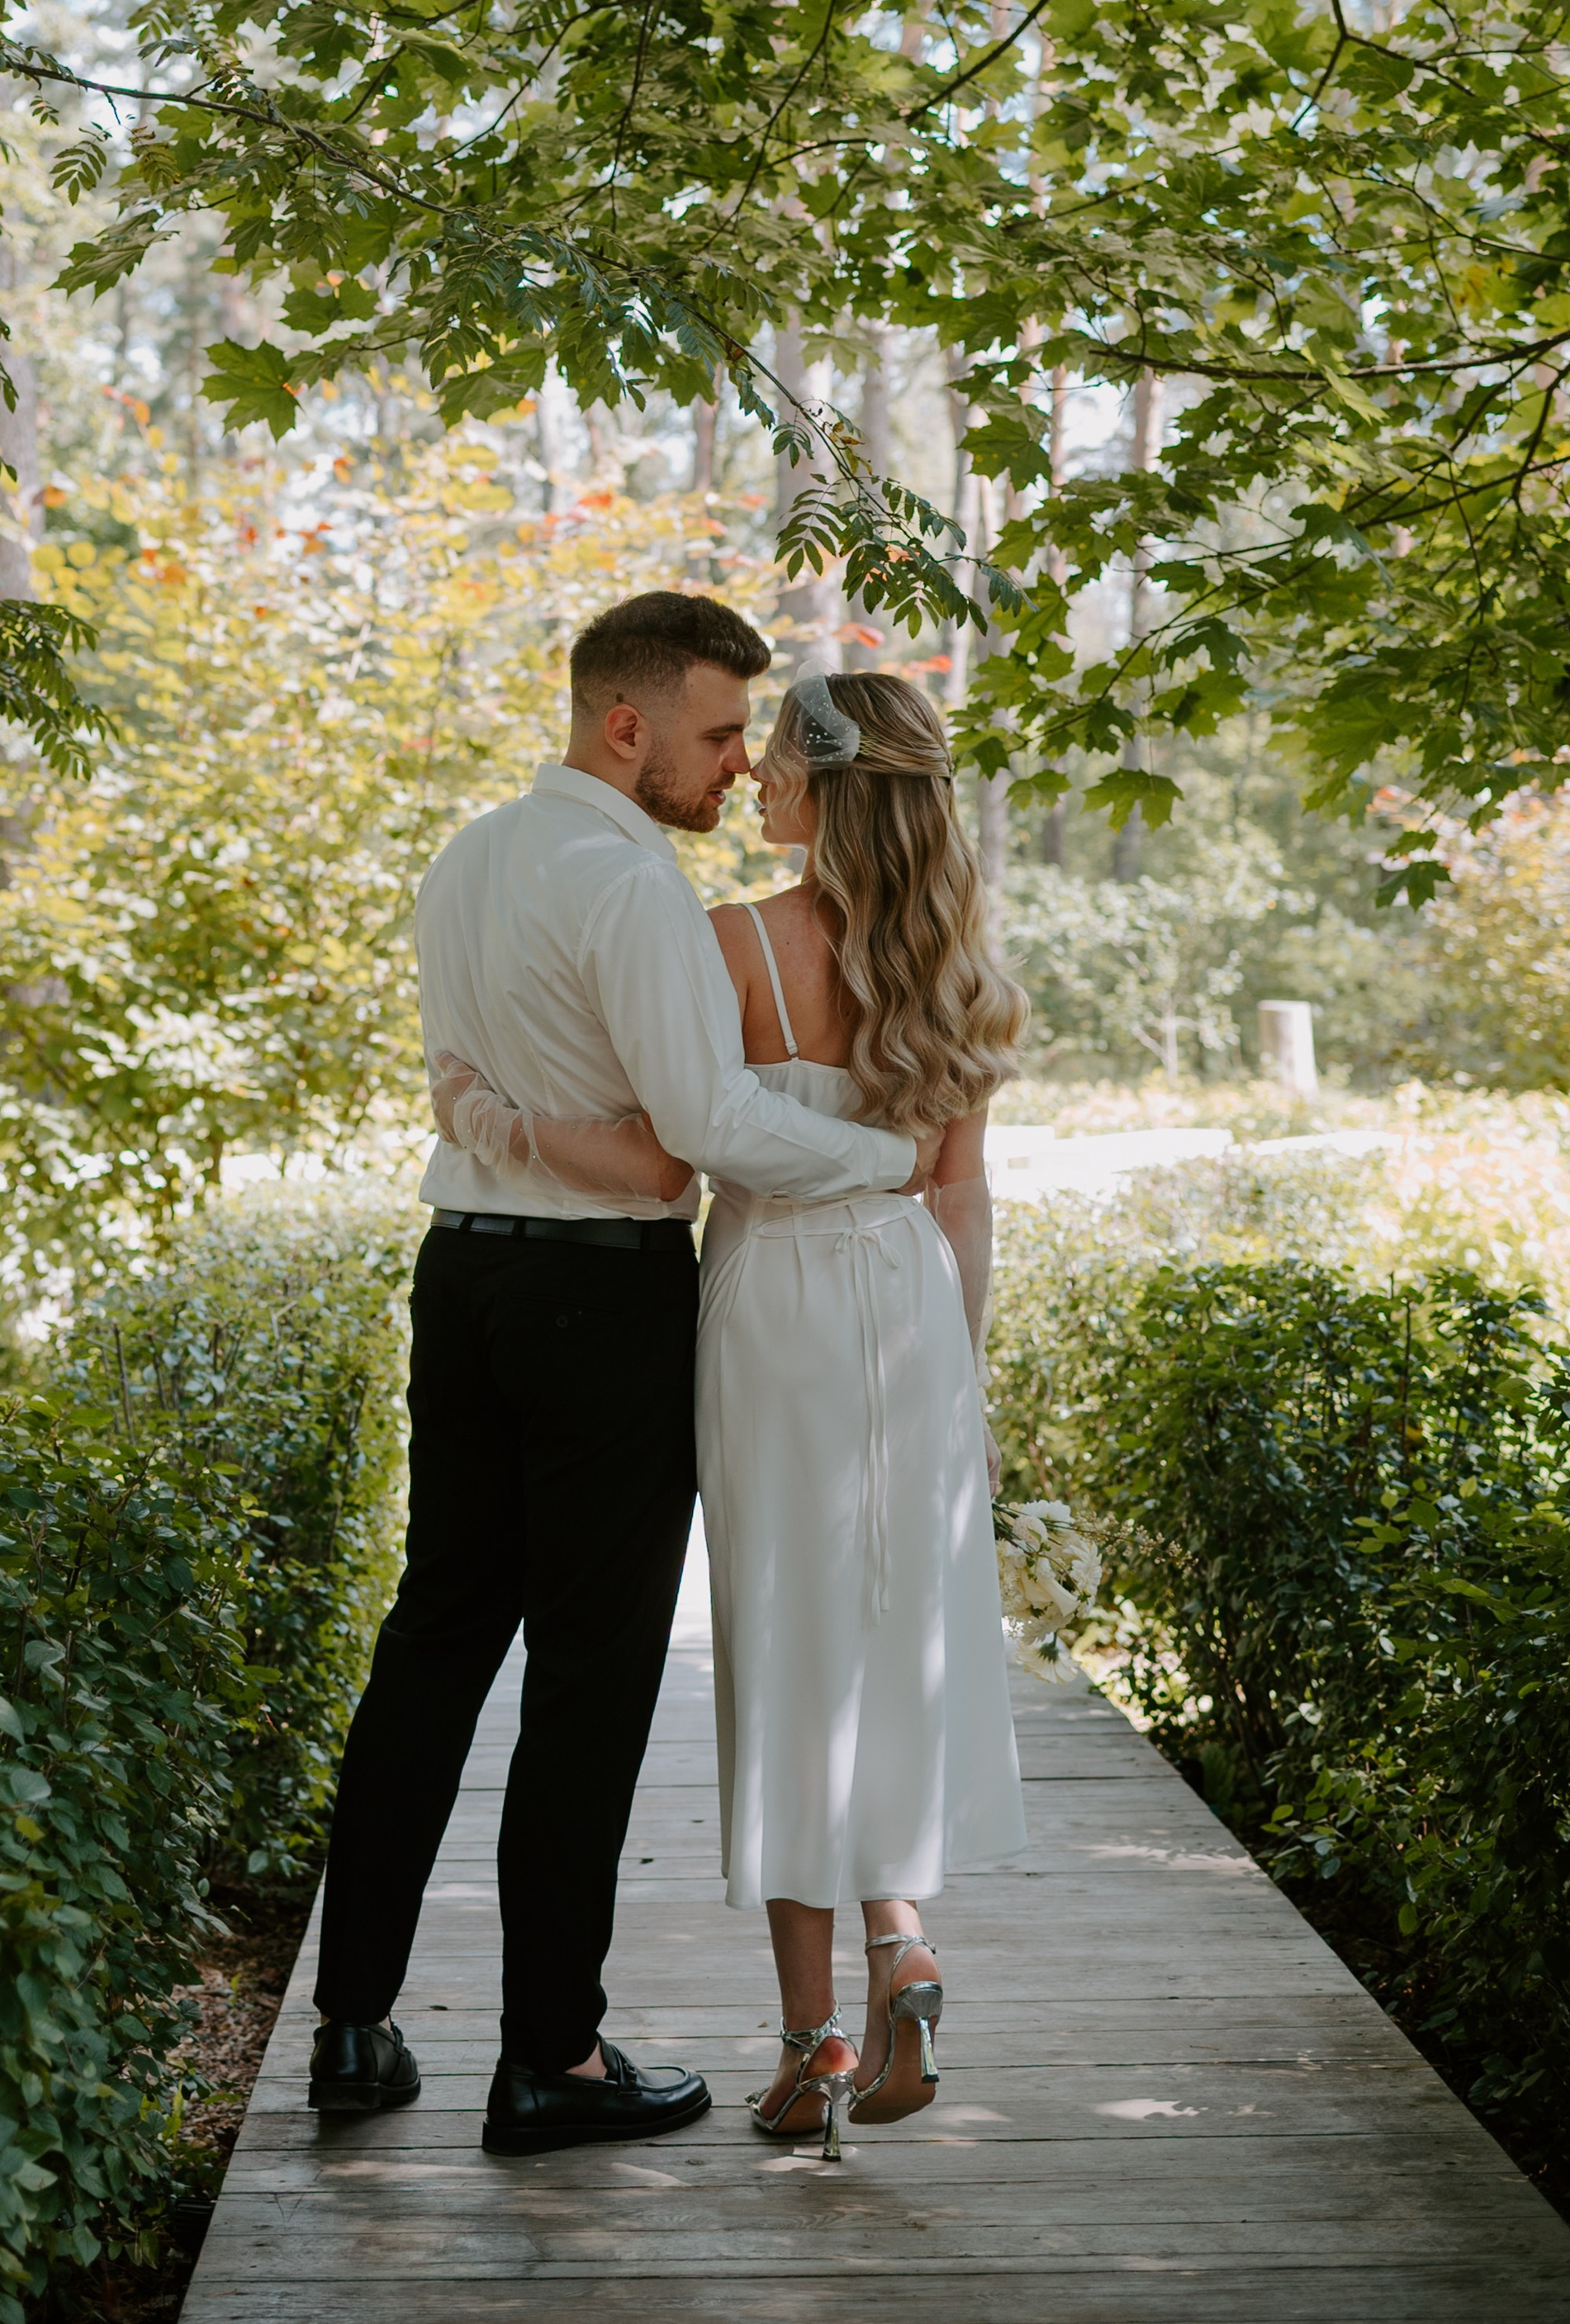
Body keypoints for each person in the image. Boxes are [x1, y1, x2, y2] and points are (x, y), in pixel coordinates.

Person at [306, 593, 939, 2158]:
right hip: (601, 1300)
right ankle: (553, 2063)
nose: (740, 766)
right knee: (588, 1684)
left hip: (465, 1277)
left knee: (435, 1636)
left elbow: (483, 1093)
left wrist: (513, 1134)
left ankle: (351, 2029)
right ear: (628, 725)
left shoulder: (463, 862)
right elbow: (702, 1133)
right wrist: (885, 1157)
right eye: (723, 733)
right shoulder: (637, 888)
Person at [444, 666, 1028, 2160]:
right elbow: (957, 1189)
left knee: (785, 1646)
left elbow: (686, 1146)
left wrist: (501, 1121)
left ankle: (808, 2036)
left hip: (773, 1303)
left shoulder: (735, 944)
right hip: (907, 1305)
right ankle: (907, 1944)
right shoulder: (961, 962)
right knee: (891, 1638)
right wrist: (954, 1377)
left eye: (774, 762)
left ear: (828, 786)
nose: (755, 781)